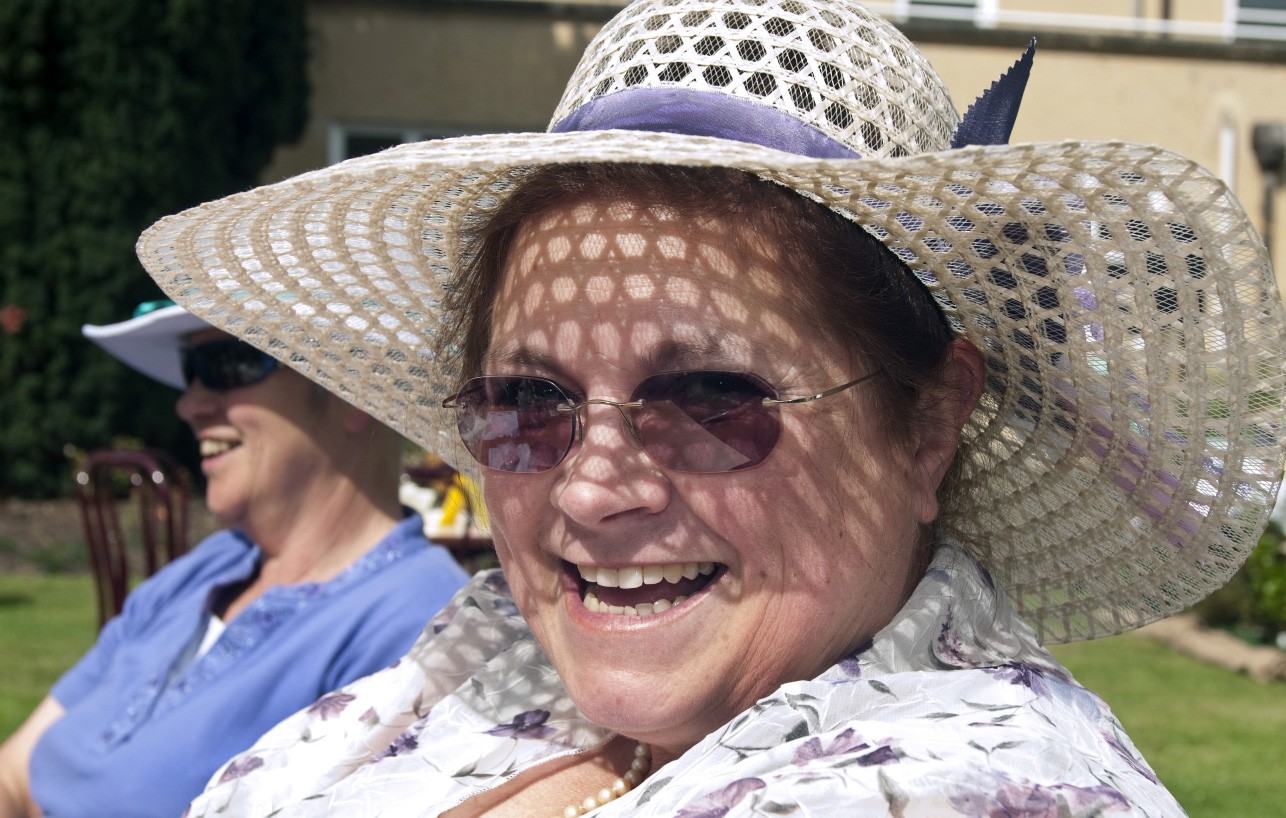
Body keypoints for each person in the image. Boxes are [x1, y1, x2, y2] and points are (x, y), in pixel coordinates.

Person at [135, 0, 1284, 814]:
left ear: (925, 428)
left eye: (706, 399)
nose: (590, 485)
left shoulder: (968, 780)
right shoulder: (485, 660)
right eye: (528, 400)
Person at [0, 301, 471, 818]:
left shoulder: (418, 623)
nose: (189, 404)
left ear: (352, 383)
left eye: (227, 364)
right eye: (189, 371)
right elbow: (17, 770)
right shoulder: (211, 567)